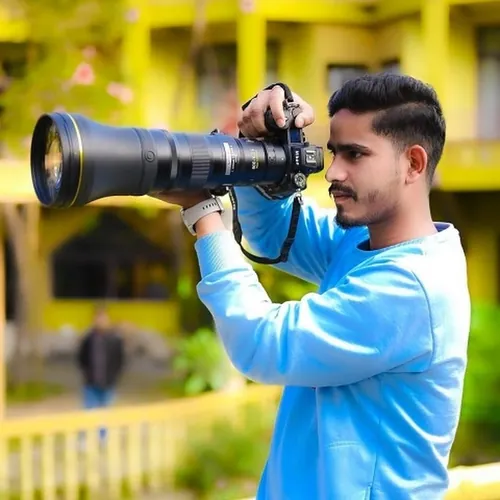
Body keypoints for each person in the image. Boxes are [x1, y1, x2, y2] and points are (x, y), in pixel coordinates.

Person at [157, 74, 471, 499]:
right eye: (334, 152)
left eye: (355, 155)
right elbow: (273, 234)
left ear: (413, 163)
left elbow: (261, 342)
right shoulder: (362, 241)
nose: (334, 172)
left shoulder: (412, 287)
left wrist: (203, 211)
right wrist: (262, 144)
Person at [76, 307, 125, 415]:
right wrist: (87, 374)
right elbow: (81, 359)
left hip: (108, 384)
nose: (100, 321)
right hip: (91, 384)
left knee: (106, 414)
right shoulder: (88, 339)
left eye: (103, 319)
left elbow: (119, 360)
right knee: (90, 414)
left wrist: (114, 376)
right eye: (98, 318)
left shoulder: (115, 340)